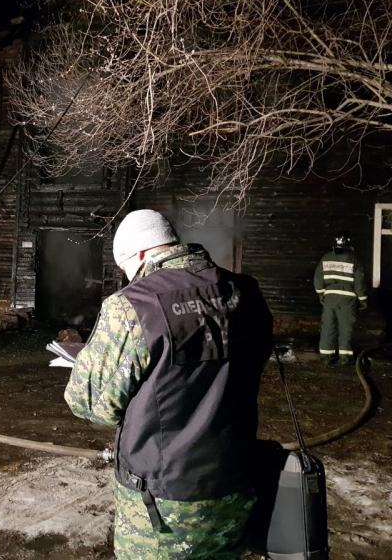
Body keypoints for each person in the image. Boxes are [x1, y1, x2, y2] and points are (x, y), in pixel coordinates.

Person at [64, 209, 273, 559]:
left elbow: (91, 403)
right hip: (234, 483)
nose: (129, 279)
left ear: (142, 254)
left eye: (127, 268)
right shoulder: (245, 292)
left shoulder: (134, 305)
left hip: (163, 504)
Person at [313, 232, 367, 366]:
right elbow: (359, 282)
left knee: (328, 327)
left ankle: (326, 356)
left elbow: (318, 279)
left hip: (330, 297)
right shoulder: (354, 260)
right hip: (347, 299)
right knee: (345, 328)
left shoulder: (326, 258)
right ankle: (344, 358)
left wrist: (321, 293)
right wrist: (363, 300)